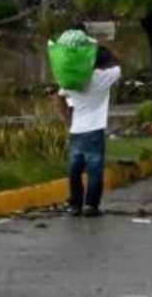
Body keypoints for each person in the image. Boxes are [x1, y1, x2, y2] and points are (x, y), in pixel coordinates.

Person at [53, 45, 121, 217]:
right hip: (95, 129)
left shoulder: (73, 78)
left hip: (76, 129)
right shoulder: (102, 77)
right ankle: (91, 205)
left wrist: (67, 121)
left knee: (75, 168)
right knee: (94, 168)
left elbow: (59, 98)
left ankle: (75, 204)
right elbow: (118, 66)